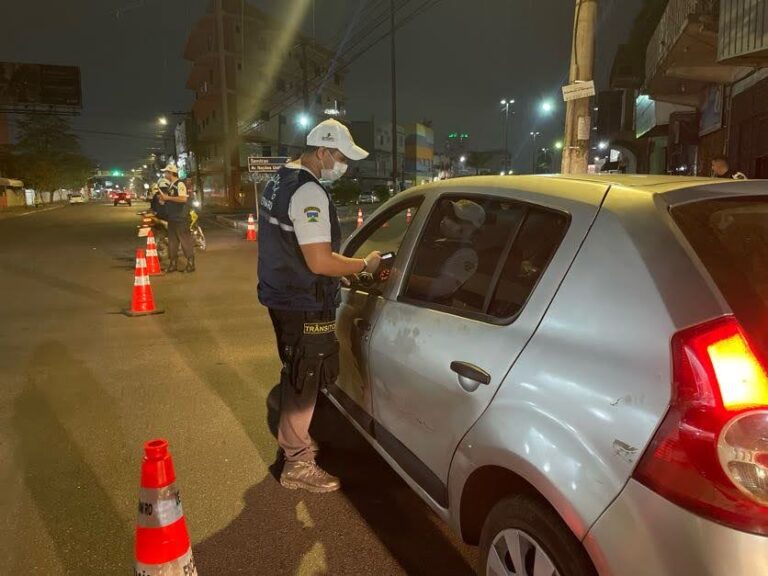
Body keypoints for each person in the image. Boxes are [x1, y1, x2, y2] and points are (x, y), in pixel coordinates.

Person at [258, 118, 381, 493]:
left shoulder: (279, 179)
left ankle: (294, 444)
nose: (344, 166)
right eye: (341, 158)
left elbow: (293, 247)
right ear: (323, 152)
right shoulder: (308, 192)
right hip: (301, 301)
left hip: (282, 293)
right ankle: (297, 462)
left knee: (297, 369)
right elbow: (319, 261)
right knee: (306, 375)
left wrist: (334, 273)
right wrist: (363, 265)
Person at [407, 199, 484, 303]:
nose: (446, 219)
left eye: (455, 218)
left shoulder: (467, 255)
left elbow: (442, 288)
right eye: (448, 215)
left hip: (426, 308)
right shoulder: (440, 240)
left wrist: (401, 277)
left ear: (471, 228)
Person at [157, 164, 195, 273]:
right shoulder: (170, 186)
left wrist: (168, 197)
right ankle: (173, 264)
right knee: (173, 243)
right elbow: (171, 200)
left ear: (170, 173)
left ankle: (191, 264)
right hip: (172, 218)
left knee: (185, 241)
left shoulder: (180, 184)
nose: (164, 175)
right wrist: (163, 200)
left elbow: (183, 199)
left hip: (181, 218)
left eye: (166, 173)